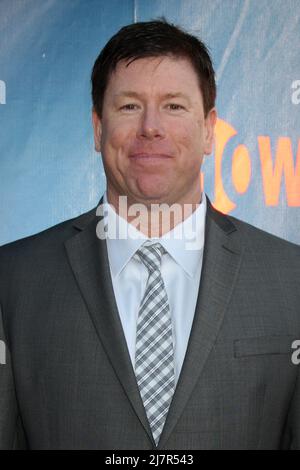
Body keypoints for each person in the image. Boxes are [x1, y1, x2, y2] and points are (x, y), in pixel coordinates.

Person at [0, 19, 300, 450]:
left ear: (210, 129)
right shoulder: (13, 280)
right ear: (98, 129)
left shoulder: (290, 278)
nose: (151, 128)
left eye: (174, 106)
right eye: (128, 107)